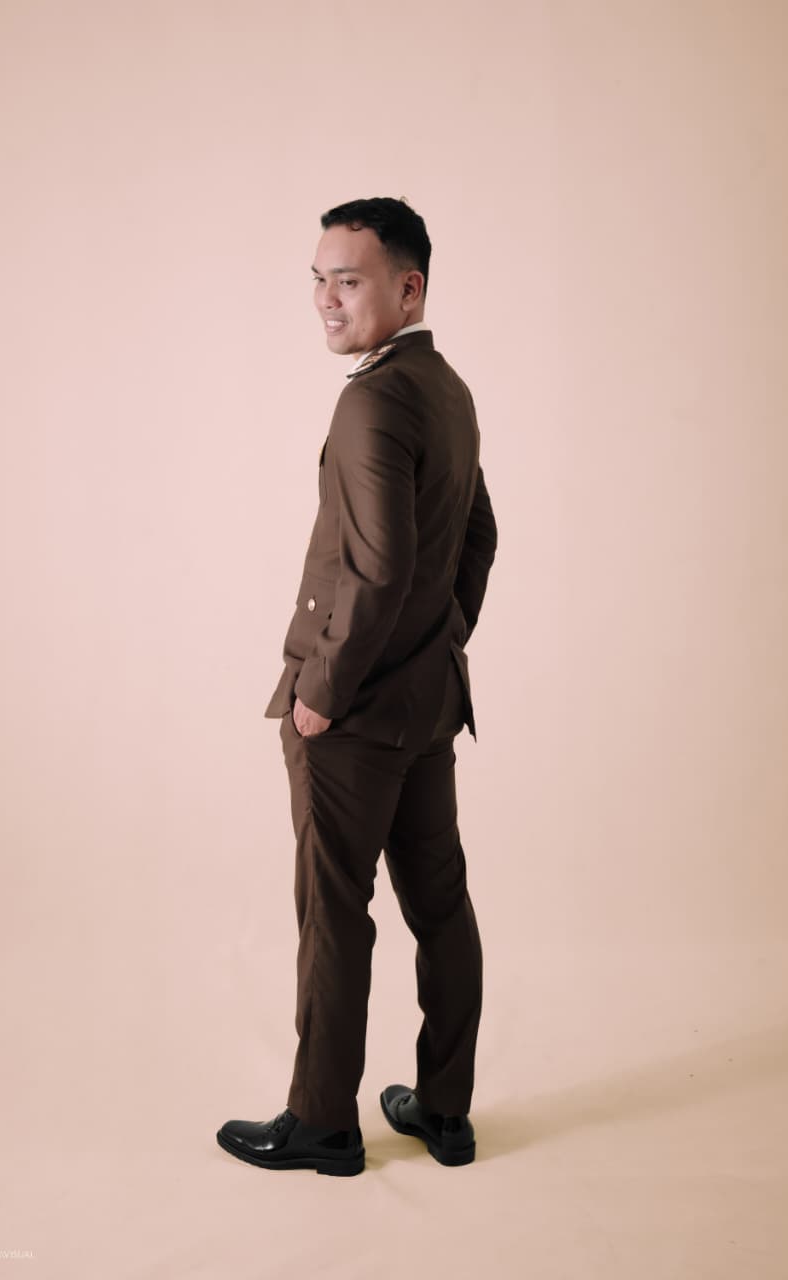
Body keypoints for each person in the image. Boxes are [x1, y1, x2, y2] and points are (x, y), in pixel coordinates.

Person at [216, 197, 497, 1176]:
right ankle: (446, 1112)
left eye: (349, 279)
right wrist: (439, 645)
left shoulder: (372, 400)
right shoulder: (447, 389)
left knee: (334, 914)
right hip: (425, 705)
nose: (326, 300)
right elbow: (477, 536)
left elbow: (377, 571)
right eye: (318, 280)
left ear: (407, 288)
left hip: (353, 712)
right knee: (440, 905)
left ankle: (323, 1123)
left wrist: (324, 692)